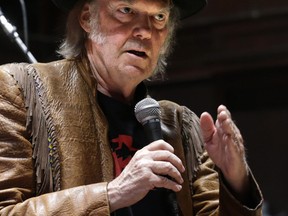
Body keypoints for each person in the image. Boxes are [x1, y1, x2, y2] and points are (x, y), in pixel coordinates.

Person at [0, 0, 263, 215]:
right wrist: (113, 194)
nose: (145, 31)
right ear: (87, 18)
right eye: (126, 10)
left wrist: (236, 182)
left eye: (159, 17)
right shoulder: (20, 90)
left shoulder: (183, 127)